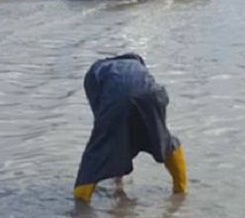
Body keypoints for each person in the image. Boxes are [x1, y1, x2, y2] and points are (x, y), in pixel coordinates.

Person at [73, 53, 188, 202]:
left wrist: (115, 164)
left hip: (116, 100)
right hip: (151, 95)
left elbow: (106, 126)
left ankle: (81, 206)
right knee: (163, 139)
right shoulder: (138, 67)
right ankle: (181, 190)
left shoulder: (94, 72)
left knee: (99, 149)